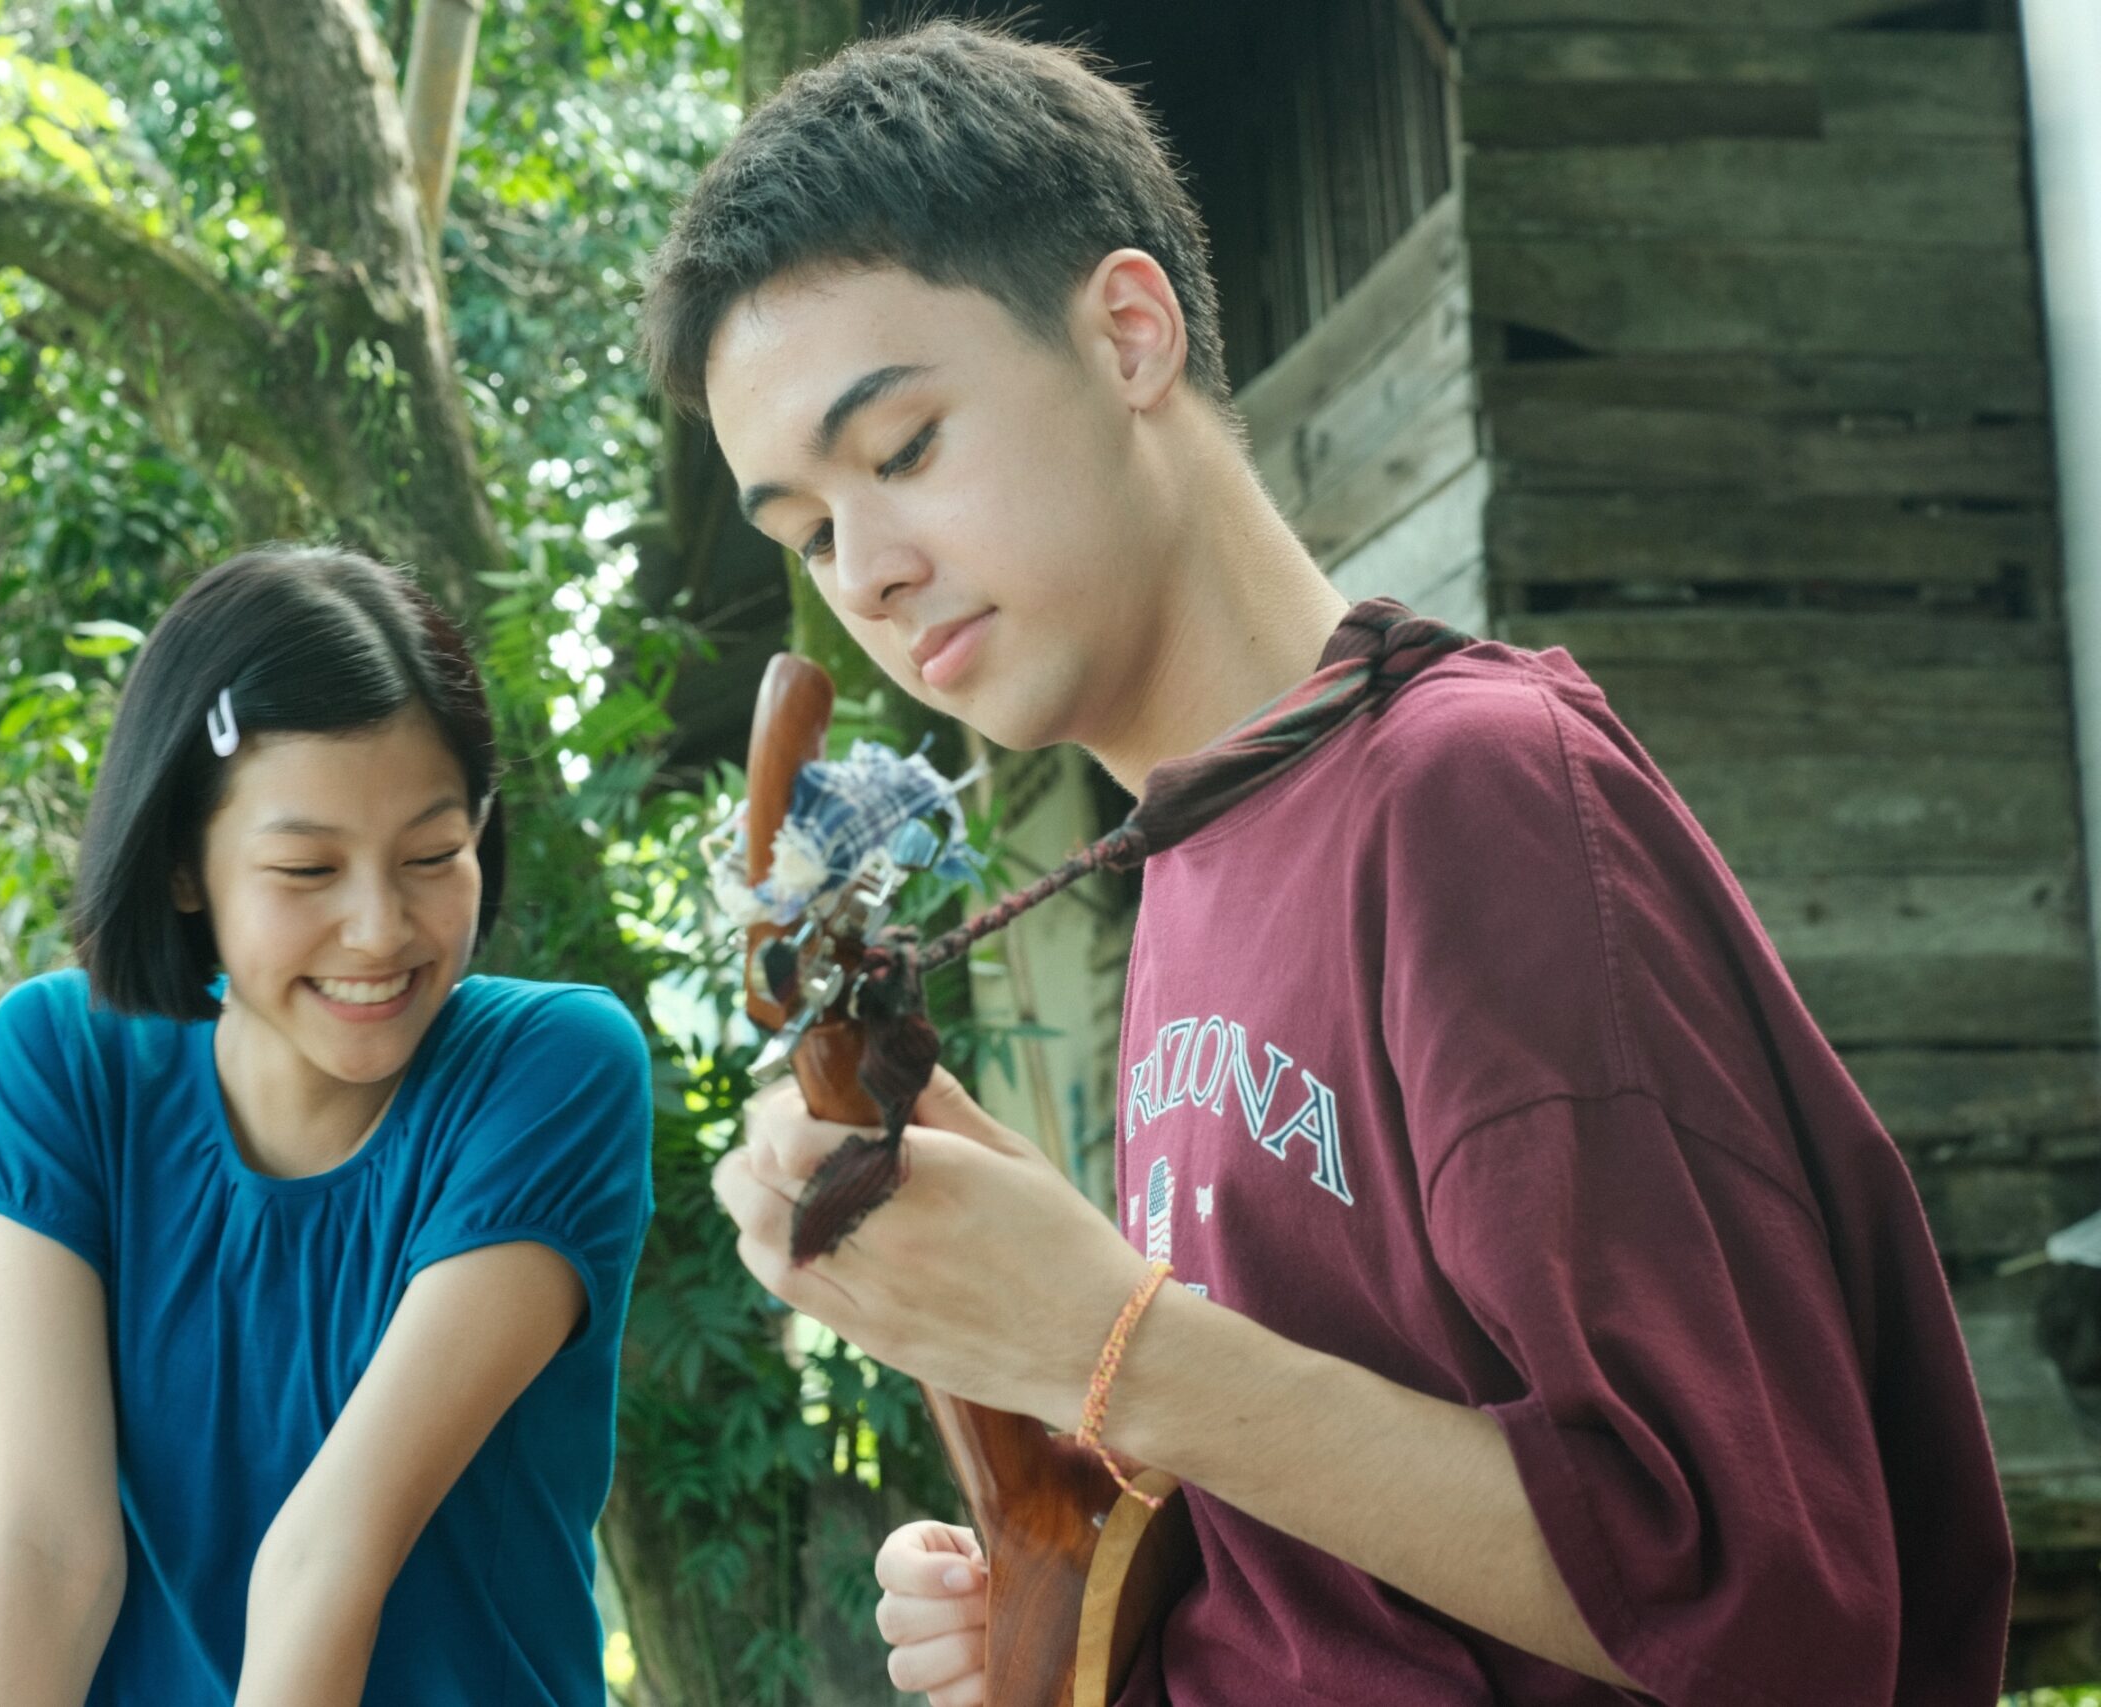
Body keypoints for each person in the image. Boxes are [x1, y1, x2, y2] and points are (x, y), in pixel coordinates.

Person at [647, 21, 2011, 1705]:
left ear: (1128, 333)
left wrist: (1108, 1341)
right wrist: (1087, 1580)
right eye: (807, 530)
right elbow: (1351, 1533)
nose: (865, 570)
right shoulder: (1190, 865)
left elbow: (1764, 1604)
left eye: (904, 447)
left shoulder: (1471, 797)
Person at [0, 545, 652, 1706]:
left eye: (432, 856)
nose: (379, 929)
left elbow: (328, 1557)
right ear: (185, 867)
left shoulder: (554, 1068)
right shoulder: (60, 1062)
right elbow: (49, 1554)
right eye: (306, 868)